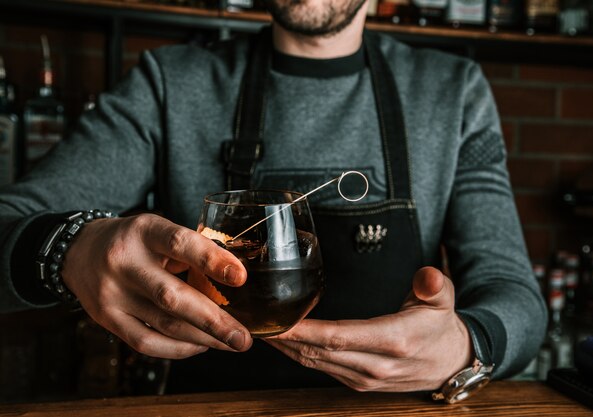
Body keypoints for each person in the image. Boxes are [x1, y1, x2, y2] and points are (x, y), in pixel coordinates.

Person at [0, 0, 546, 399]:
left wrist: (466, 344)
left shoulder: (453, 92)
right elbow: (10, 222)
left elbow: (516, 297)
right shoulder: (171, 84)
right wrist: (72, 248)